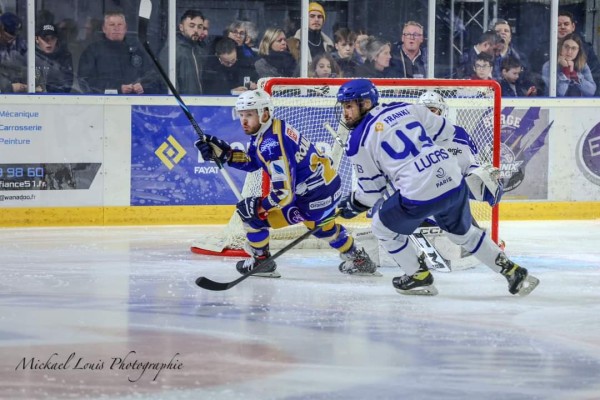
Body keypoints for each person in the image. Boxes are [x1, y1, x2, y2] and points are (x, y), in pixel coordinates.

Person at [335, 79, 539, 296]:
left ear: (366, 103)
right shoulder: (404, 107)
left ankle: (418, 276)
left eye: (349, 106)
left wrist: (351, 205)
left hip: (419, 192)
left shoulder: (357, 140)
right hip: (452, 180)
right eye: (344, 107)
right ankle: (512, 271)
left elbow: (371, 193)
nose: (345, 113)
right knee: (464, 234)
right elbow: (447, 132)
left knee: (381, 227)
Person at [195, 90, 378, 277]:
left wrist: (261, 207)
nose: (244, 121)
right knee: (324, 229)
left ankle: (261, 262)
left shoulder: (271, 144)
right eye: (241, 115)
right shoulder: (274, 128)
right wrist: (226, 154)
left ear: (264, 113)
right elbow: (254, 161)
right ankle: (359, 258)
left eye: (249, 115)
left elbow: (283, 193)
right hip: (326, 188)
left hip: (310, 199)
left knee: (250, 213)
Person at [78, 11, 161, 94]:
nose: (116, 28)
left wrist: (142, 86)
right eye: (112, 25)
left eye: (120, 25)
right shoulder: (93, 51)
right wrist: (117, 89)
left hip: (134, 102)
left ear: (125, 28)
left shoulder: (136, 51)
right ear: (104, 29)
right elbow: (85, 81)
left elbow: (152, 78)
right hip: (103, 103)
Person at [160, 9, 205, 94]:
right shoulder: (172, 49)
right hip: (182, 104)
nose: (196, 30)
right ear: (181, 27)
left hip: (198, 103)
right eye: (191, 26)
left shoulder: (198, 50)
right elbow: (166, 82)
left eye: (199, 27)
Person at [557, 11, 600, 96]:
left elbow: (596, 77)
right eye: (558, 24)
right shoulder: (543, 49)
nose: (562, 27)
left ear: (573, 27)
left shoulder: (586, 49)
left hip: (581, 102)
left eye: (566, 24)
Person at [542, 33, 596, 97]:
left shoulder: (583, 65)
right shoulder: (549, 66)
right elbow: (559, 94)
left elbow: (591, 91)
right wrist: (566, 70)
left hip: (579, 104)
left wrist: (573, 74)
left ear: (578, 51)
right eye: (566, 47)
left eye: (574, 48)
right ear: (560, 47)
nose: (569, 51)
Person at [34, 23, 74, 93]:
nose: (49, 42)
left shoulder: (64, 58)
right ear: (37, 39)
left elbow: (67, 84)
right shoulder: (28, 56)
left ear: (57, 40)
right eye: (44, 38)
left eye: (52, 38)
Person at [0, 12, 28, 93]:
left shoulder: (21, 45)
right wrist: (9, 87)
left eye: (14, 37)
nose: (11, 40)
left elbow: (35, 63)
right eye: (7, 37)